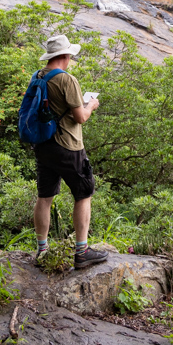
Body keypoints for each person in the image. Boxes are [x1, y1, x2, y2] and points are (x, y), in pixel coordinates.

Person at [32, 34, 108, 269]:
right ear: (66, 56)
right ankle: (82, 252)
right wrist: (91, 105)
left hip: (44, 144)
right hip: (68, 146)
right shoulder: (67, 80)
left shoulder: (38, 76)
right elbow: (80, 117)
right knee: (83, 194)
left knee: (45, 197)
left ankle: (42, 250)